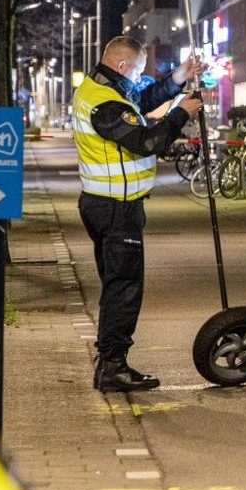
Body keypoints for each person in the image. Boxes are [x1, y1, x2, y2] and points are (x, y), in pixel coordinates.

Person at [72, 36, 204, 392]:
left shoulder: (107, 91)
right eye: (139, 71)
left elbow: (141, 101)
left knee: (119, 285)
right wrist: (181, 114)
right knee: (124, 287)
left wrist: (178, 78)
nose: (140, 79)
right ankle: (113, 367)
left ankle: (110, 361)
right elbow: (148, 141)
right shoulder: (104, 104)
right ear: (122, 66)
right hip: (116, 207)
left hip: (110, 203)